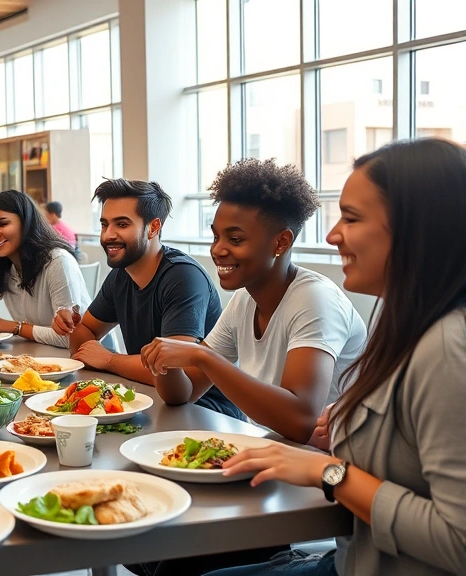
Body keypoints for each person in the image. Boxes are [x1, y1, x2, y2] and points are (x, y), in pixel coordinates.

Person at [207, 139, 466, 576]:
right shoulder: (402, 320)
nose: (332, 235)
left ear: (416, 229)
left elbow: (458, 542)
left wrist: (331, 471)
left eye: (352, 218)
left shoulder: (445, 349)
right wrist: (343, 425)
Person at [139, 159, 367, 443]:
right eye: (216, 236)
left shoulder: (315, 300)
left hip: (327, 464)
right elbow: (183, 394)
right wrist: (164, 364)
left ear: (281, 243)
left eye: (235, 239)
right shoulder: (243, 300)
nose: (217, 249)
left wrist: (202, 356)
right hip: (274, 450)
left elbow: (300, 421)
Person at [56, 178, 240, 418]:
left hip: (206, 412)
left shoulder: (183, 277)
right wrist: (73, 323)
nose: (108, 235)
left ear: (153, 228)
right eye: (104, 224)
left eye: (121, 224)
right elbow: (83, 344)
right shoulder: (120, 275)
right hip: (146, 399)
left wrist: (110, 360)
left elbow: (175, 373)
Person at [0, 190, 90, 348]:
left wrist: (17, 328)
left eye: (3, 224)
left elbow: (70, 338)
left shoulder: (57, 261)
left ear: (26, 223)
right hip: (40, 359)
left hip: (88, 364)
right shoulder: (3, 267)